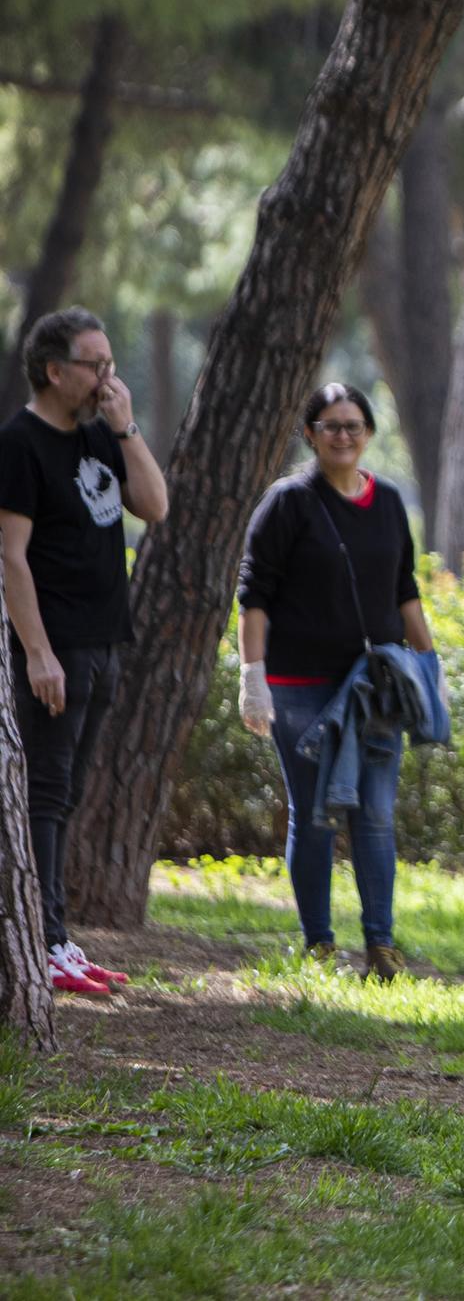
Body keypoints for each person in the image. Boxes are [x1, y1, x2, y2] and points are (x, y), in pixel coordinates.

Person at [236, 383, 437, 981]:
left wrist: (430, 667)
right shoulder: (287, 502)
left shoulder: (391, 502)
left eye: (353, 425)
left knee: (374, 812)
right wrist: (253, 678)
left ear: (369, 433)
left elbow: (405, 591)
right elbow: (254, 597)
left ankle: (381, 946)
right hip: (299, 685)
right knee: (315, 811)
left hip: (374, 686)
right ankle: (319, 945)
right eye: (330, 426)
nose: (342, 436)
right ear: (310, 434)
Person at [0, 307, 169, 995]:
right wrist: (38, 652)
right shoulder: (19, 443)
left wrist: (126, 426)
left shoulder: (101, 437)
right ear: (54, 370)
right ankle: (42, 941)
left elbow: (155, 507)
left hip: (104, 641)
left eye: (111, 363)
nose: (108, 376)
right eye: (95, 364)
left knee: (64, 794)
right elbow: (10, 559)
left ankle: (59, 939)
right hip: (55, 647)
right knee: (44, 792)